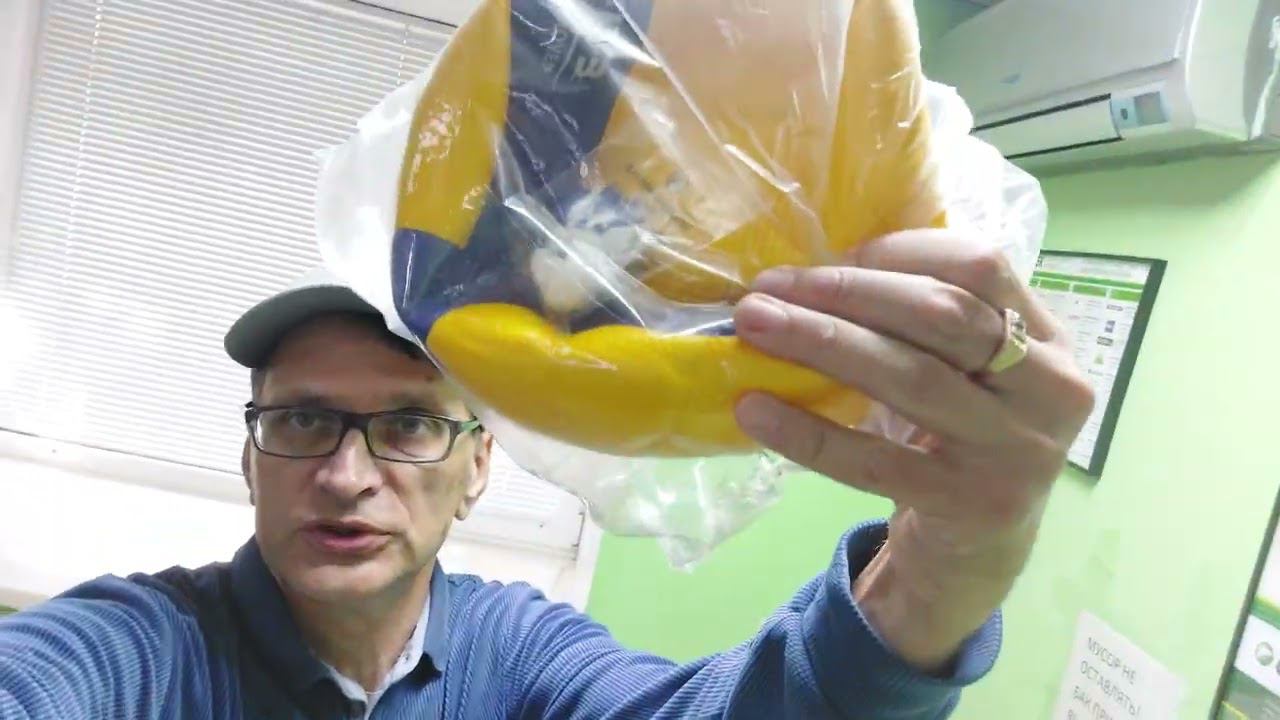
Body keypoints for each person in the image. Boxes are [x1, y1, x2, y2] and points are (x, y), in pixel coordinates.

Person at [0, 230, 1093, 719]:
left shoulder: (521, 656)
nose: (344, 475)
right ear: (249, 457)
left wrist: (948, 566)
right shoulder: (138, 649)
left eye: (409, 425)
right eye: (302, 421)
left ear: (479, 466)